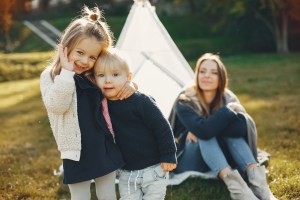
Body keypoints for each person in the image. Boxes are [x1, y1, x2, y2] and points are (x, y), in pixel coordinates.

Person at [40, 7, 137, 200]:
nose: (85, 61)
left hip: (103, 145)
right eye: (80, 53)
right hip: (75, 152)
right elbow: (57, 106)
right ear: (65, 46)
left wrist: (131, 85)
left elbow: (115, 86)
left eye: (93, 57)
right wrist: (67, 73)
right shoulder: (51, 76)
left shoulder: (94, 76)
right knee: (80, 196)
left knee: (108, 195)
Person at [169, 53, 275, 200]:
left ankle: (260, 187)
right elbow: (205, 132)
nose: (207, 76)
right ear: (197, 75)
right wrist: (225, 113)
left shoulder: (228, 98)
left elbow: (240, 129)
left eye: (214, 72)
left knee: (221, 134)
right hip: (188, 159)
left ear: (221, 78)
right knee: (205, 136)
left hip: (217, 156)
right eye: (202, 71)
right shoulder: (184, 100)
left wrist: (206, 127)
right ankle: (238, 190)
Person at [90, 48, 177, 200]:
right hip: (127, 172)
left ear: (128, 77)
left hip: (154, 167)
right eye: (101, 75)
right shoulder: (101, 105)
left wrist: (168, 154)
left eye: (115, 75)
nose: (108, 80)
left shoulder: (141, 101)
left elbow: (162, 127)